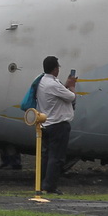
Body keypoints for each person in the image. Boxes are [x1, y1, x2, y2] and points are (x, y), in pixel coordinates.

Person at [36, 55, 76, 194]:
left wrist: (65, 85)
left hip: (46, 123)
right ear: (55, 69)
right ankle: (50, 186)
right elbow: (71, 97)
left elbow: (58, 93)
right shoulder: (53, 84)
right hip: (58, 124)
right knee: (57, 157)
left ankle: (41, 183)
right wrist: (71, 86)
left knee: (47, 156)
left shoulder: (42, 81)